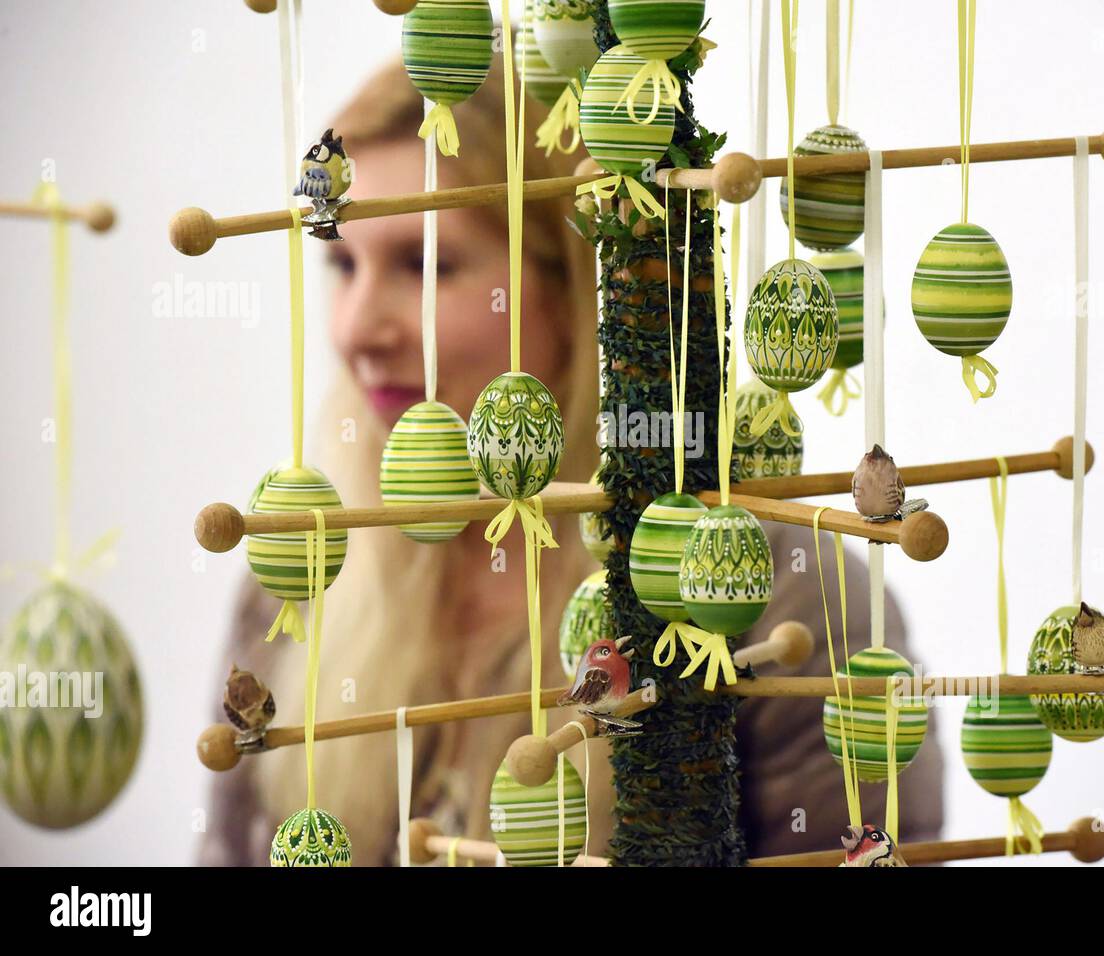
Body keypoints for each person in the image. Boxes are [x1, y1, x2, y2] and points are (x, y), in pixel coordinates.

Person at [199, 55, 942, 867]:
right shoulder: (305, 560)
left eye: (426, 266)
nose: (355, 329)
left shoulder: (776, 595)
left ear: (575, 281)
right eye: (341, 265)